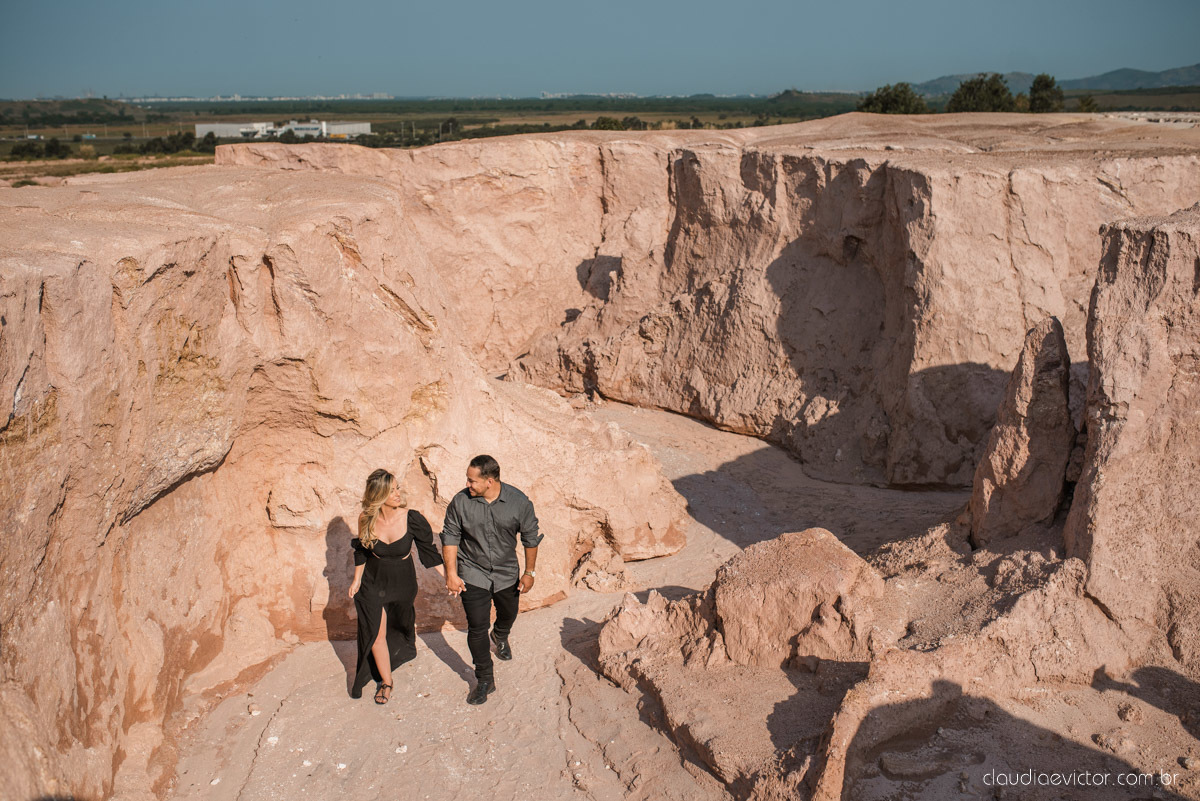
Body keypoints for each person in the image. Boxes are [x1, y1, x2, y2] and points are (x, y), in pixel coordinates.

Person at [441, 454, 542, 705]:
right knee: (476, 627)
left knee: (509, 612)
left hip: (506, 572)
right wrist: (451, 574)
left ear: (489, 481)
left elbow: (530, 538)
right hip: (472, 571)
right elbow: (451, 537)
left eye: (472, 480)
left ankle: (500, 635)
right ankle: (485, 679)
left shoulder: (519, 502)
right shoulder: (460, 502)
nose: (468, 485)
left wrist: (529, 572)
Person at [349, 469, 444, 703]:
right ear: (378, 495)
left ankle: (395, 656)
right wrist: (357, 580)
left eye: (397, 488)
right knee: (375, 632)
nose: (397, 494)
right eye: (391, 491)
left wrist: (450, 577)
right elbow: (362, 551)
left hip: (402, 582)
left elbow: (429, 553)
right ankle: (386, 682)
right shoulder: (366, 518)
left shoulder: (411, 518)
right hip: (373, 580)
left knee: (399, 624)